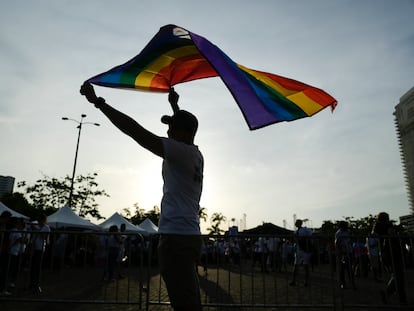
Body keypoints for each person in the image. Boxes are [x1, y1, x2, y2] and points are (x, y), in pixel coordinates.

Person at [80, 82, 204, 311]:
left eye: (172, 128)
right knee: (188, 294)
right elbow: (185, 131)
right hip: (187, 235)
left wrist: (99, 103)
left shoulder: (179, 151)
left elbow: (136, 131)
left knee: (184, 303)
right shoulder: (195, 154)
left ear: (185, 133)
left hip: (176, 238)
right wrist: (176, 108)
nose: (167, 132)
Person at [373, 212, 407, 304]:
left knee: (397, 275)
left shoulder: (380, 226)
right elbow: (388, 235)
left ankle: (390, 294)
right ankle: (399, 297)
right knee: (398, 275)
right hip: (390, 253)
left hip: (391, 253)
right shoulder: (381, 226)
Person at [29, 213, 50, 293]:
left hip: (40, 249)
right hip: (33, 248)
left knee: (37, 268)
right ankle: (31, 284)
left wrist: (37, 230)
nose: (38, 221)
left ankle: (36, 285)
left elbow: (43, 237)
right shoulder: (37, 226)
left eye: (39, 220)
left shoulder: (46, 227)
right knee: (32, 268)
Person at [290, 219, 312, 286]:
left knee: (305, 266)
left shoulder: (305, 230)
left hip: (305, 250)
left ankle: (306, 282)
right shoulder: (296, 232)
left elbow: (310, 236)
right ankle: (294, 281)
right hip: (299, 250)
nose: (295, 224)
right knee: (296, 266)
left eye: (297, 223)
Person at [335, 221, 355, 289]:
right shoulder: (338, 233)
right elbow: (337, 243)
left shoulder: (349, 231)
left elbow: (352, 239)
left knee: (350, 269)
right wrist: (340, 251)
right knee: (342, 269)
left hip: (349, 251)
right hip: (342, 253)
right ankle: (343, 283)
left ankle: (352, 283)